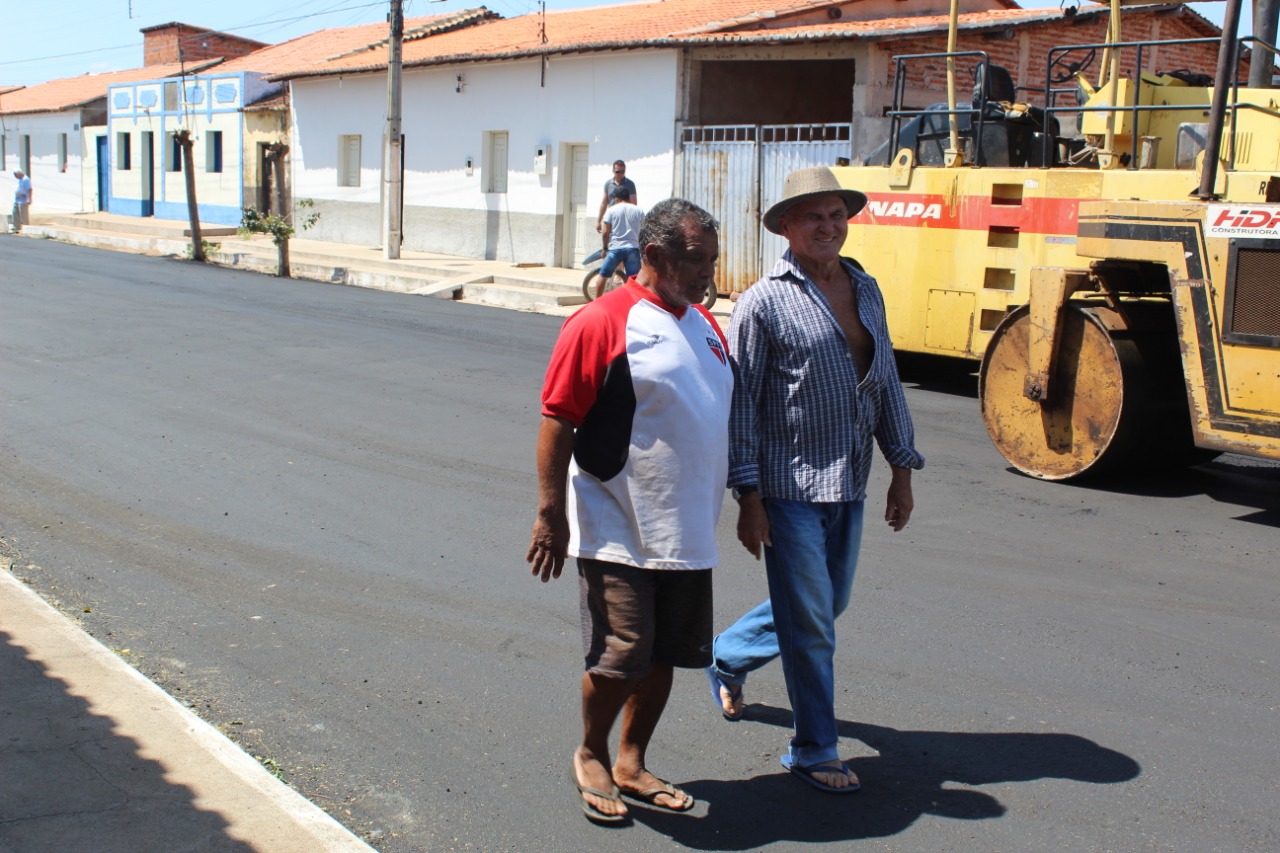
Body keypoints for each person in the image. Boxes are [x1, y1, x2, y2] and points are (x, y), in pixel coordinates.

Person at [706, 167, 924, 794]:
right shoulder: (763, 301)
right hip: (787, 486)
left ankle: (727, 658)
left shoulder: (865, 287)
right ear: (785, 227)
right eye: (812, 217)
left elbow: (884, 380)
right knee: (814, 626)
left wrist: (900, 469)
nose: (827, 226)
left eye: (835, 214)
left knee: (827, 606)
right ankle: (813, 747)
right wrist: (748, 495)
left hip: (849, 481)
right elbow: (741, 404)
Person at [527, 198, 730, 824]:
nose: (706, 275)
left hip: (688, 529)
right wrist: (550, 513)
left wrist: (749, 500)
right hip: (616, 522)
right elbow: (557, 419)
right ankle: (590, 751)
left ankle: (631, 760)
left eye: (711, 261)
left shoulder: (706, 326)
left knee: (665, 656)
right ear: (653, 256)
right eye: (694, 261)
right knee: (624, 652)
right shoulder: (601, 321)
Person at [593, 197, 645, 299]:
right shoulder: (638, 210)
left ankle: (596, 303)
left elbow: (605, 232)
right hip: (632, 249)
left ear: (617, 199)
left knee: (602, 277)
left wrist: (604, 248)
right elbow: (644, 230)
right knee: (633, 281)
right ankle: (632, 304)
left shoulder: (612, 210)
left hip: (615, 249)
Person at [595, 160, 637, 233]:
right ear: (613, 171)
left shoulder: (630, 184)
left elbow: (634, 204)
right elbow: (604, 203)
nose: (620, 174)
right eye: (618, 171)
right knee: (610, 240)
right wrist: (598, 221)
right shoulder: (608, 184)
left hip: (624, 220)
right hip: (611, 218)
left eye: (622, 171)